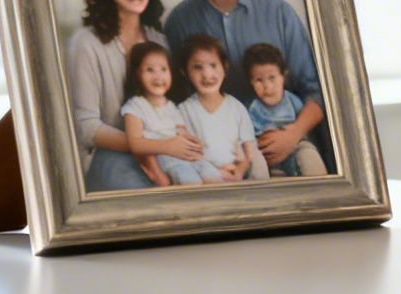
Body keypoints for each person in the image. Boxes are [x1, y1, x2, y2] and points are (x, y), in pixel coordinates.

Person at [163, 0, 329, 173]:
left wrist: (292, 135)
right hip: (220, 158)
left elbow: (317, 90)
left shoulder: (279, 13)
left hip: (289, 139)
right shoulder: (178, 23)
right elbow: (175, 102)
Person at [64, 0, 198, 192]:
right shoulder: (85, 44)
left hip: (166, 154)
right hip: (113, 157)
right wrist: (157, 145)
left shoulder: (159, 41)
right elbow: (86, 127)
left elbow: (173, 108)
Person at [119, 42, 221, 186]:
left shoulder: (172, 106)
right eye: (150, 70)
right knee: (191, 182)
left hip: (187, 156)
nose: (158, 76)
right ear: (137, 73)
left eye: (163, 69)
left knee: (214, 177)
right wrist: (164, 156)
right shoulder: (135, 106)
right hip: (165, 158)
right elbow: (135, 144)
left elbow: (181, 132)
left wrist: (193, 142)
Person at [175, 34, 268, 183]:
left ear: (224, 68)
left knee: (258, 162)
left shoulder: (236, 108)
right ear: (185, 72)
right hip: (204, 175)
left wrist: (239, 172)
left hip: (238, 172)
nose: (207, 74)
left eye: (213, 65)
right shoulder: (182, 111)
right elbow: (186, 153)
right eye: (197, 67)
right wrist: (215, 173)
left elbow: (249, 148)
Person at [242, 43, 328, 177]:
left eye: (272, 78)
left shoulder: (293, 102)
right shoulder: (250, 108)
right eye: (259, 80)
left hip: (294, 148)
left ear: (283, 76)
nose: (267, 87)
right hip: (264, 152)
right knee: (254, 160)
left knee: (308, 153)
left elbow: (303, 130)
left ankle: (322, 191)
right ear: (251, 82)